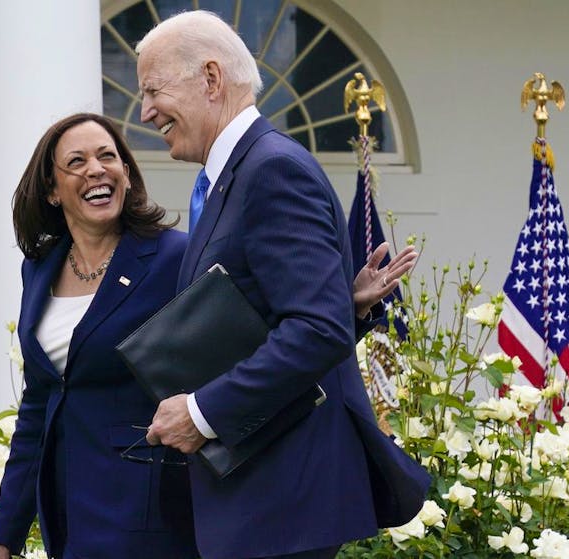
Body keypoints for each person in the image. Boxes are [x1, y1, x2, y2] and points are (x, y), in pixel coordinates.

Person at [136, 11, 430, 559]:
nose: (145, 110)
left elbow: (317, 331)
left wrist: (201, 412)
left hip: (281, 500)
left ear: (211, 78)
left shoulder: (272, 171)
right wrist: (343, 306)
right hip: (258, 497)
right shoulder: (232, 177)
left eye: (153, 90)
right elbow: (288, 313)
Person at [0, 113, 198, 559]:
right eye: (76, 162)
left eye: (107, 157)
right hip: (67, 512)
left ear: (125, 172)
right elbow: (39, 404)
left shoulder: (173, 257)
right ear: (51, 190)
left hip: (147, 509)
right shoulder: (39, 269)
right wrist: (7, 526)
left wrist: (347, 310)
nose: (96, 170)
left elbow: (241, 335)